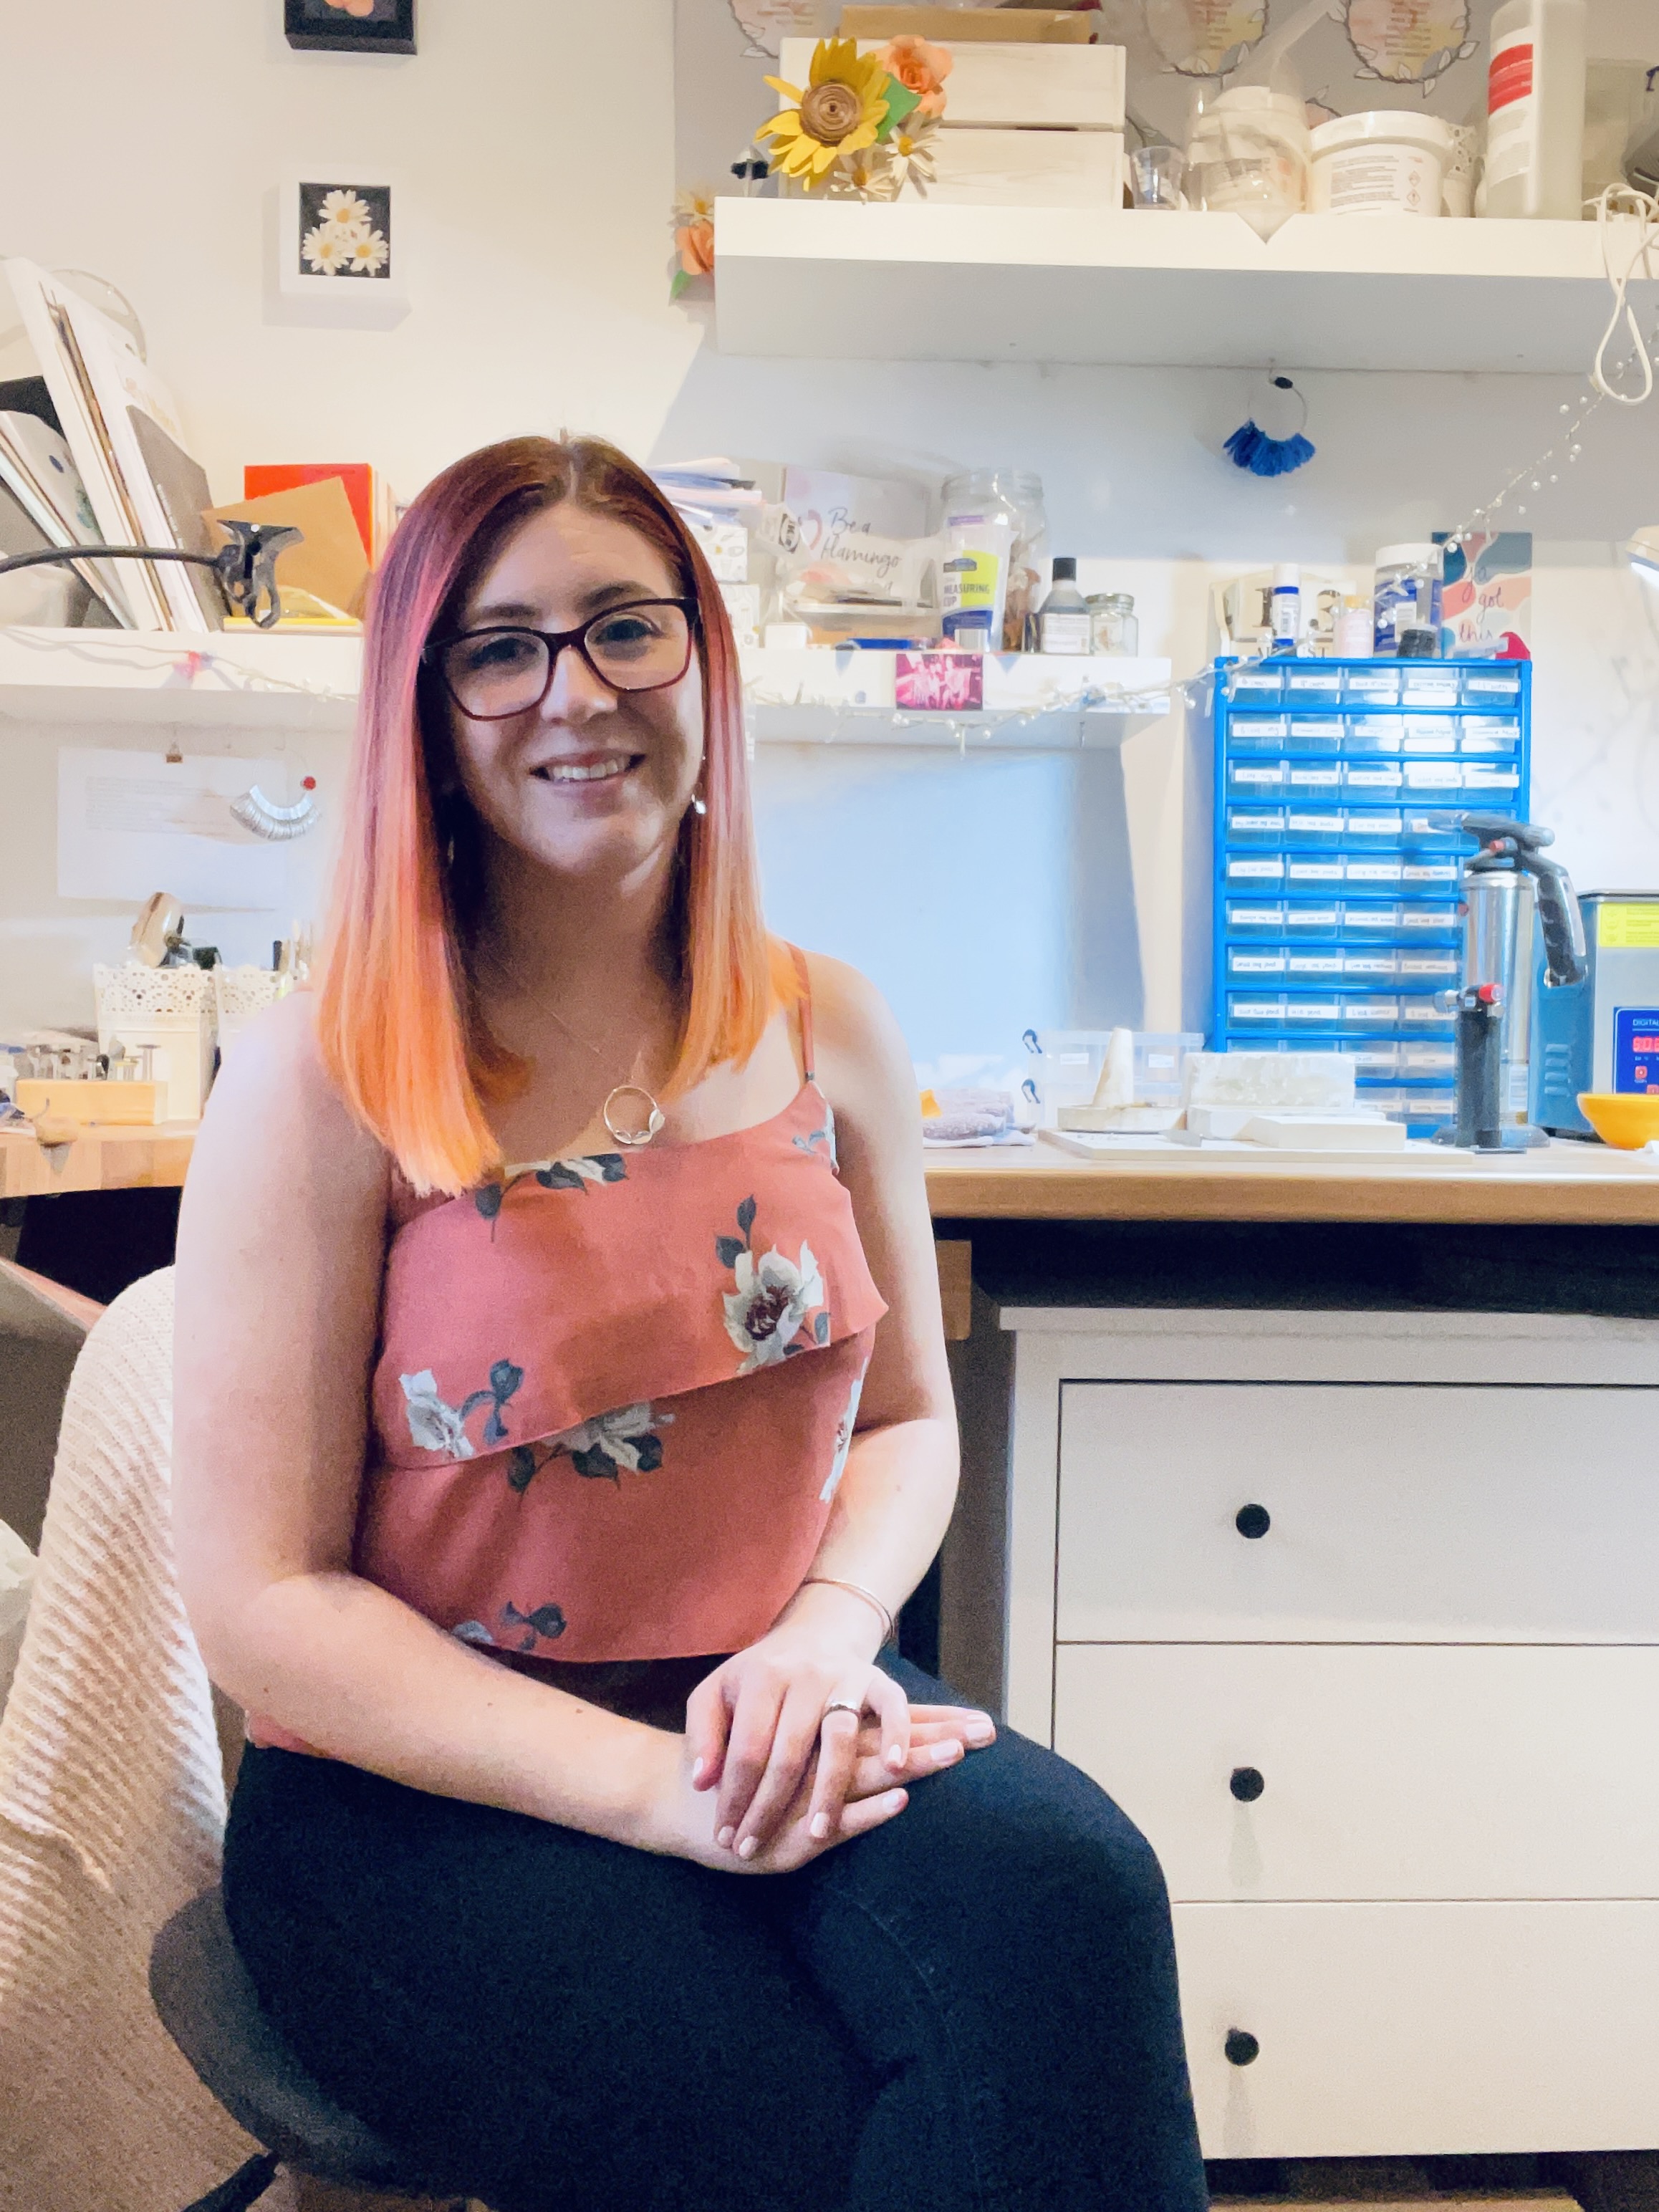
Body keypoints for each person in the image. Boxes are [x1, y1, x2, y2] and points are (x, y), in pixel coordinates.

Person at [172, 435, 1208, 2212]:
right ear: (425, 711)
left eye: (623, 629)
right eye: (500, 649)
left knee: (1070, 1900)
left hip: (770, 1696)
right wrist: (661, 1798)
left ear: (706, 667)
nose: (572, 693)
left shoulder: (829, 1024)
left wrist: (823, 1635)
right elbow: (264, 1605)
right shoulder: (322, 1076)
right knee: (821, 2112)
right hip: (426, 1790)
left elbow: (901, 1421)